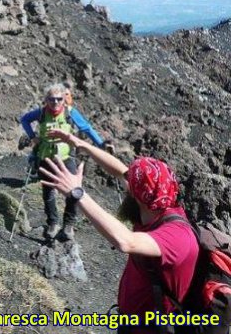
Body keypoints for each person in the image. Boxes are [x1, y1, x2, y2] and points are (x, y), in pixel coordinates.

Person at [40, 132, 198, 334]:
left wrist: (77, 193)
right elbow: (120, 171)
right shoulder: (153, 202)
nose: (126, 186)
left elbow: (126, 242)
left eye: (129, 187)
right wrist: (81, 144)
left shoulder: (177, 236)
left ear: (138, 196)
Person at [20, 83, 105, 241]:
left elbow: (86, 128)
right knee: (48, 192)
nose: (55, 102)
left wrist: (101, 144)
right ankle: (53, 223)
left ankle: (68, 225)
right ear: (46, 100)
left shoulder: (70, 112)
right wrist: (33, 137)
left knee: (73, 191)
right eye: (51, 99)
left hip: (66, 157)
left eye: (59, 99)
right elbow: (24, 120)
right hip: (46, 157)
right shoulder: (41, 113)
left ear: (64, 100)